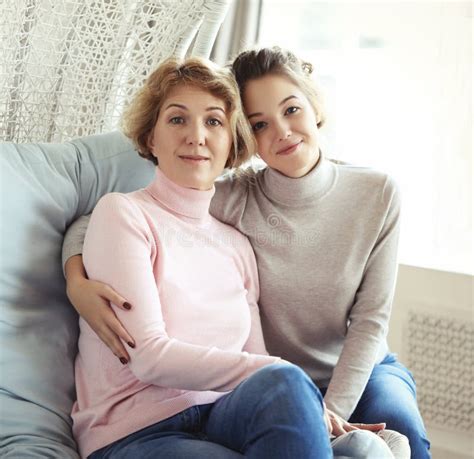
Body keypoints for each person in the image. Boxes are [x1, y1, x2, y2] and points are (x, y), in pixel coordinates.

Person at [64, 48, 423, 457]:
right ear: (150, 137)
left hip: (228, 410)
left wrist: (313, 405)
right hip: (140, 427)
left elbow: (358, 325)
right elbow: (147, 357)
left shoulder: (235, 239)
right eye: (178, 119)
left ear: (231, 142)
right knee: (291, 387)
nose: (196, 136)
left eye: (213, 121)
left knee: (367, 431)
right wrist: (75, 278)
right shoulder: (129, 211)